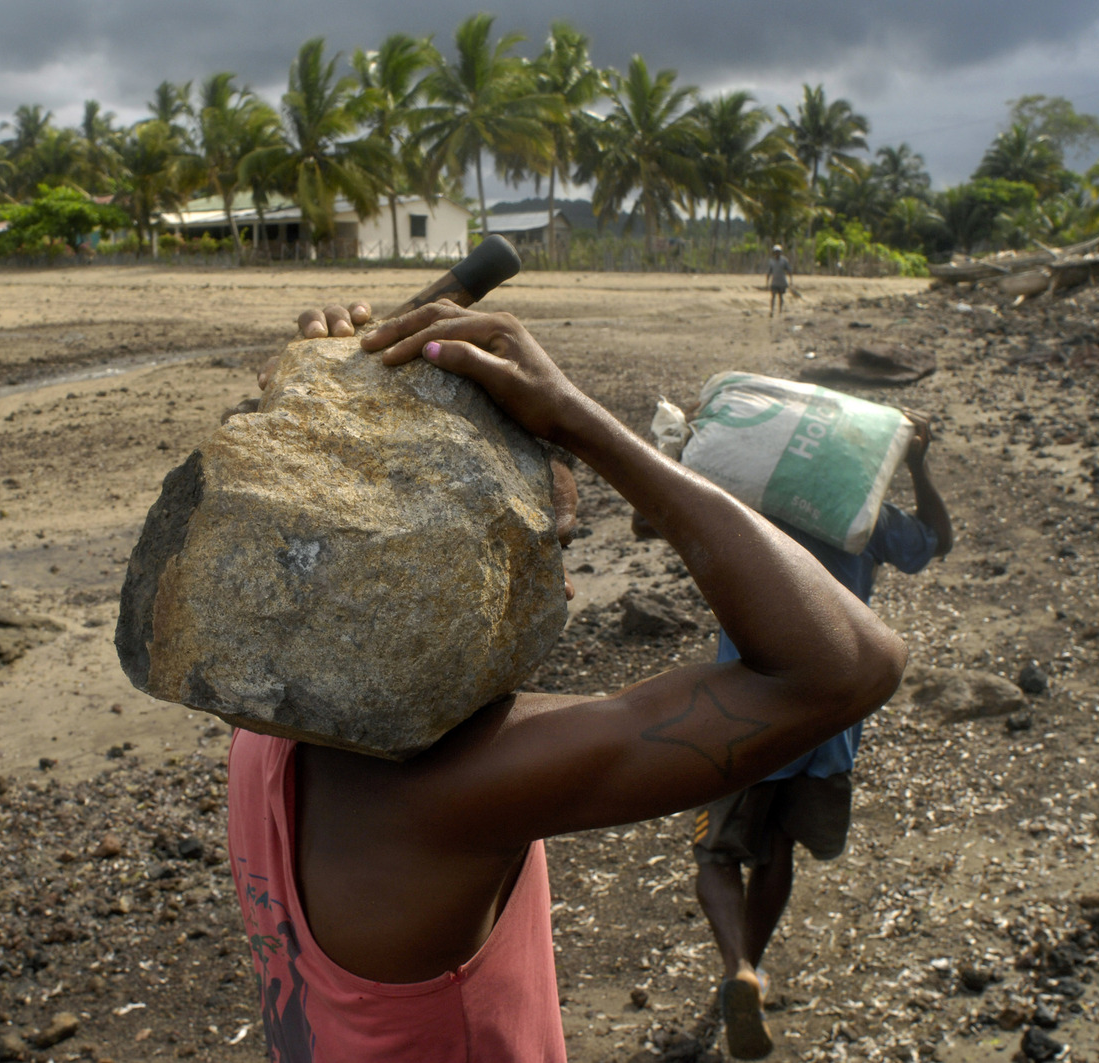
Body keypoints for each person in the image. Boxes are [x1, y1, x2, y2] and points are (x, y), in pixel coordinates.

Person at [224, 299, 908, 1062]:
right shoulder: (455, 789)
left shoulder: (265, 719)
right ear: (452, 558)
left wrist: (322, 400)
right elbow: (849, 666)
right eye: (551, 549)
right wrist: (579, 419)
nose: (568, 593)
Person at [674, 411, 952, 1060]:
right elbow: (939, 540)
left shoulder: (760, 509)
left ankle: (736, 965)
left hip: (747, 708)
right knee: (777, 852)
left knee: (715, 853)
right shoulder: (864, 521)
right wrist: (916, 464)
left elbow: (663, 513)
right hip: (829, 717)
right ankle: (750, 970)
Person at [765, 245, 791, 317]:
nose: (777, 253)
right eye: (776, 252)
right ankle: (772, 310)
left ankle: (780, 311)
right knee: (773, 297)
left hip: (782, 281)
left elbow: (788, 270)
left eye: (778, 252)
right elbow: (769, 272)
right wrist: (767, 282)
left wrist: (790, 280)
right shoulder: (771, 261)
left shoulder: (784, 261)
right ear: (774, 253)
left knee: (781, 297)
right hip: (774, 282)